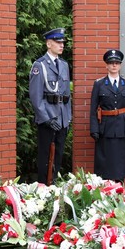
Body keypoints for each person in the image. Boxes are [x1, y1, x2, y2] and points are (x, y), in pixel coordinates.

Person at [29, 28, 72, 184]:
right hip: (48, 117)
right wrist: (46, 119)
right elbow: (36, 97)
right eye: (57, 42)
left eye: (62, 43)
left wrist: (68, 118)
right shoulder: (39, 65)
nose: (61, 45)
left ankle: (54, 185)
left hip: (62, 118)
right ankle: (43, 187)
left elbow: (67, 95)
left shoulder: (64, 65)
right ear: (48, 44)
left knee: (58, 154)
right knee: (45, 156)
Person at [89, 49, 125, 184]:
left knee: (120, 161)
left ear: (120, 65)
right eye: (111, 63)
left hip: (123, 128)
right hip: (105, 128)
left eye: (117, 63)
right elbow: (93, 109)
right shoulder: (99, 84)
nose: (114, 65)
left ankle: (119, 188)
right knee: (105, 161)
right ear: (106, 65)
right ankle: (105, 190)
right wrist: (94, 129)